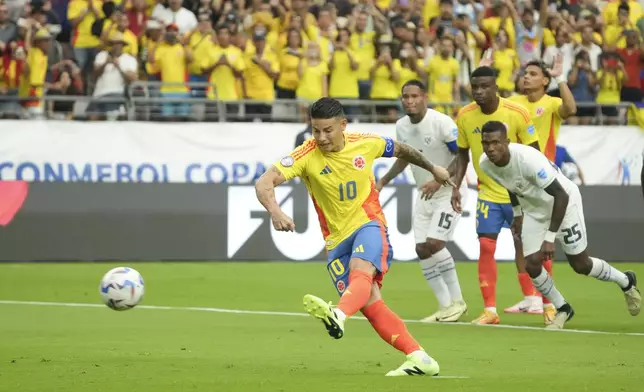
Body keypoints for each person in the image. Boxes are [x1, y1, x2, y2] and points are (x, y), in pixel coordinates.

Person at [255, 97, 454, 376]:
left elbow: (403, 150)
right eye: (316, 130)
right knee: (372, 306)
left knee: (360, 272)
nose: (321, 138)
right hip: (336, 241)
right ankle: (420, 358)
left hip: (368, 223)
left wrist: (434, 168)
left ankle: (337, 314)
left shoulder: (366, 142)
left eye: (327, 130)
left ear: (343, 125)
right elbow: (264, 183)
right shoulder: (305, 154)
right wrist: (275, 211)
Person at [478, 120, 641, 329]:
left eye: (495, 142)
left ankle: (626, 281)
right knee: (531, 264)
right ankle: (563, 307)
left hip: (564, 203)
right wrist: (518, 214)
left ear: (507, 142)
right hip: (535, 210)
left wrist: (549, 239)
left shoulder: (528, 159)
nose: (490, 148)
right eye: (485, 143)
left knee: (580, 264)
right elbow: (510, 184)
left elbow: (560, 195)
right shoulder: (485, 164)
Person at [435, 65, 540, 325]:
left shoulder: (517, 113)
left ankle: (538, 300)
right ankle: (490, 310)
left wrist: (534, 193)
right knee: (485, 245)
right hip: (488, 193)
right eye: (475, 88)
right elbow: (461, 154)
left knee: (526, 246)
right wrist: (456, 186)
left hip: (520, 193)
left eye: (485, 87)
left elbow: (534, 153)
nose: (479, 92)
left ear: (496, 88)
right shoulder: (465, 115)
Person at [377, 80, 467, 323]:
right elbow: (405, 157)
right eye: (405, 96)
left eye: (414, 96)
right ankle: (445, 306)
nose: (409, 101)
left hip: (449, 191)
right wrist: (384, 180)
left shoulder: (441, 123)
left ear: (425, 97)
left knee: (435, 243)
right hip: (425, 192)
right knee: (421, 249)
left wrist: (442, 181)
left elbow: (462, 155)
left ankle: (458, 302)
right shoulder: (402, 126)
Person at [501, 55, 577, 320]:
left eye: (533, 73)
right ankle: (530, 298)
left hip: (545, 181)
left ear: (545, 80)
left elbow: (571, 108)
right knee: (520, 240)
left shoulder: (552, 102)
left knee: (544, 244)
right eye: (525, 73)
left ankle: (548, 302)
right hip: (519, 179)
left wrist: (560, 78)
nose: (526, 76)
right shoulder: (514, 102)